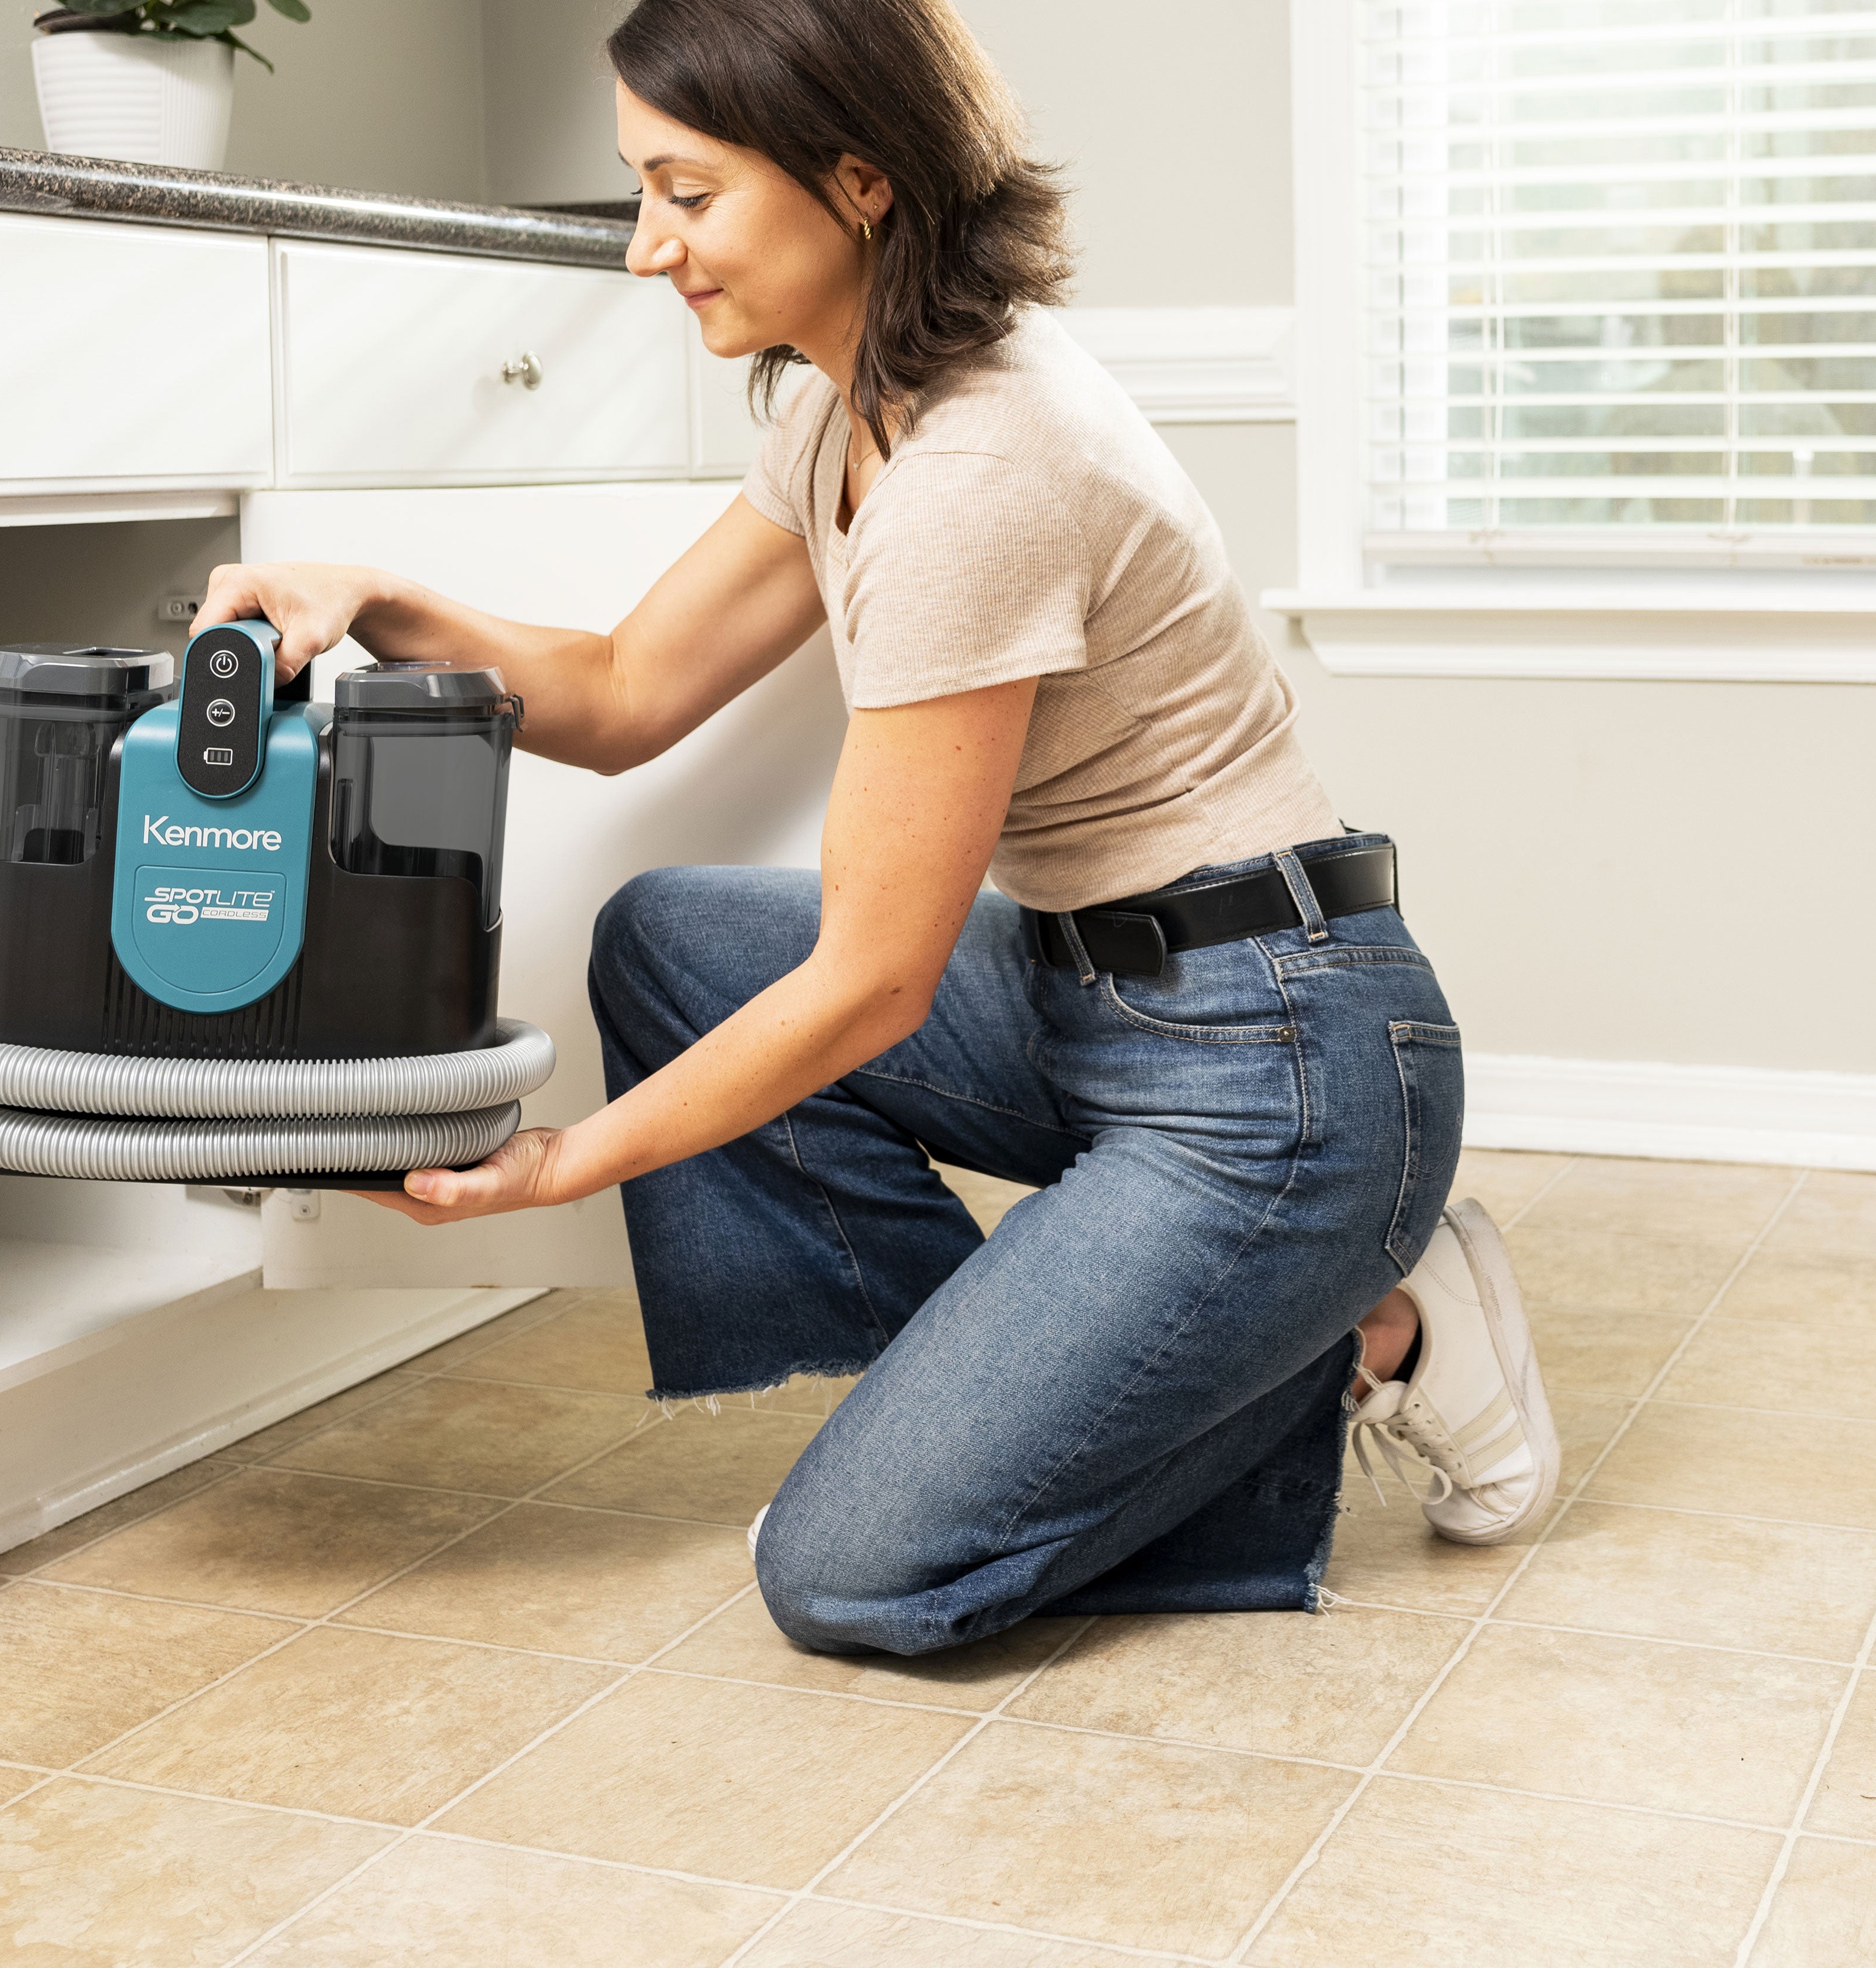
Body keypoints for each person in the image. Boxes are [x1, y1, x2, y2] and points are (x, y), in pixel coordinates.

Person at [193, 0, 1559, 1660]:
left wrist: (560, 1166)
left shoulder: (978, 474)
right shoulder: (848, 409)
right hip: (1095, 995)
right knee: (676, 938)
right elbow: (626, 689)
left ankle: (1380, 1330)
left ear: (857, 183)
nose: (644, 252)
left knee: (851, 1574)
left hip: (1277, 1057)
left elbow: (868, 985)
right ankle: (1017, 1408)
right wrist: (379, 599)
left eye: (685, 196)